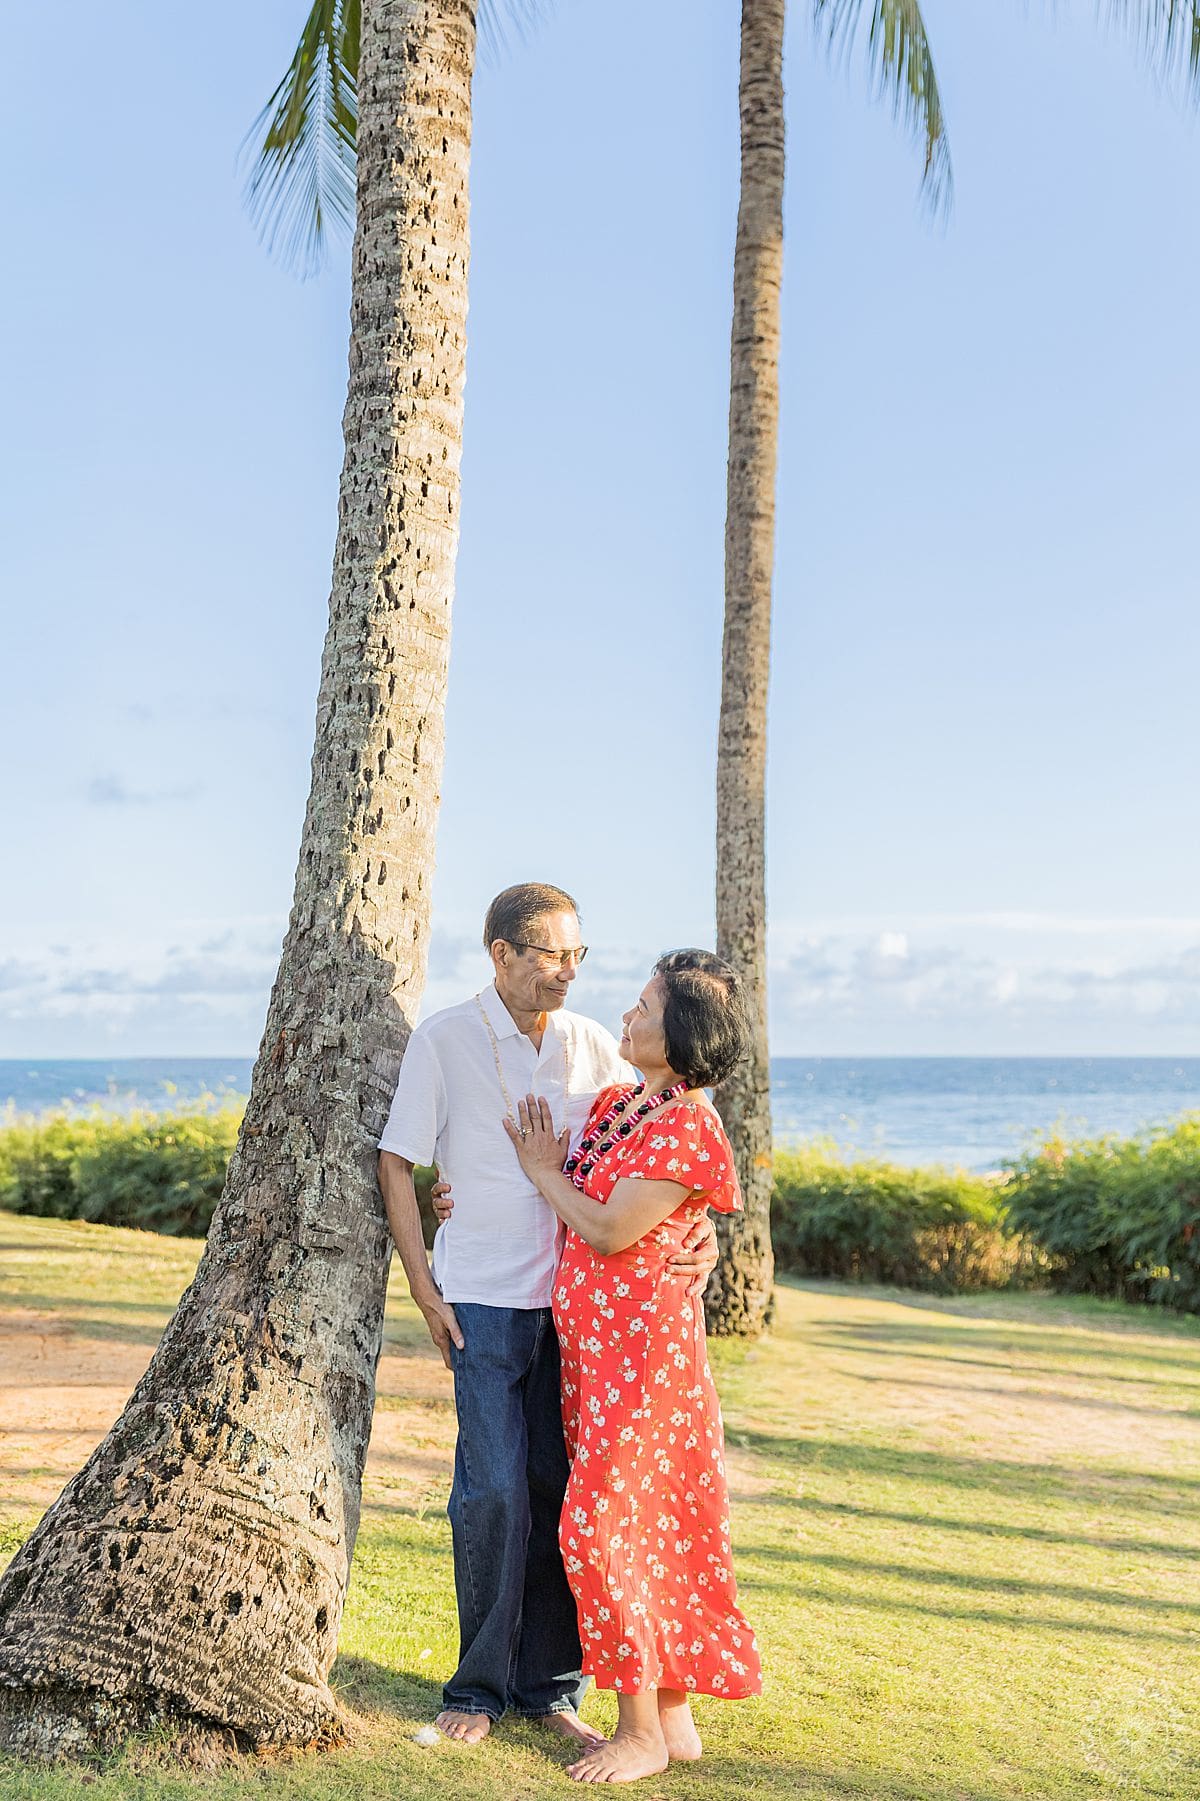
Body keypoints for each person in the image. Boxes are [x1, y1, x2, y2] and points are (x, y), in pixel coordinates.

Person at [376, 884, 719, 1748]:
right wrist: (423, 1284)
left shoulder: (592, 1042)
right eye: (550, 954)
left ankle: (548, 1688)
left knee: (558, 1495)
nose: (569, 971)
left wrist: (700, 1228)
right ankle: (477, 1689)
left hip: (576, 1315)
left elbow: (664, 1130)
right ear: (501, 954)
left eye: (578, 954)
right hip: (483, 1300)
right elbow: (396, 1162)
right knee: (490, 1490)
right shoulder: (445, 1039)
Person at [499, 949, 763, 1783]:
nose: (628, 1014)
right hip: (595, 1364)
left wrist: (543, 1173)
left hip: (645, 1367)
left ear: (680, 1033)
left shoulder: (691, 1122)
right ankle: (673, 1720)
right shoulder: (622, 1103)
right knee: (650, 1529)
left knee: (603, 1527)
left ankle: (640, 1729)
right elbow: (586, 1202)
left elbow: (611, 1230)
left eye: (646, 1006)